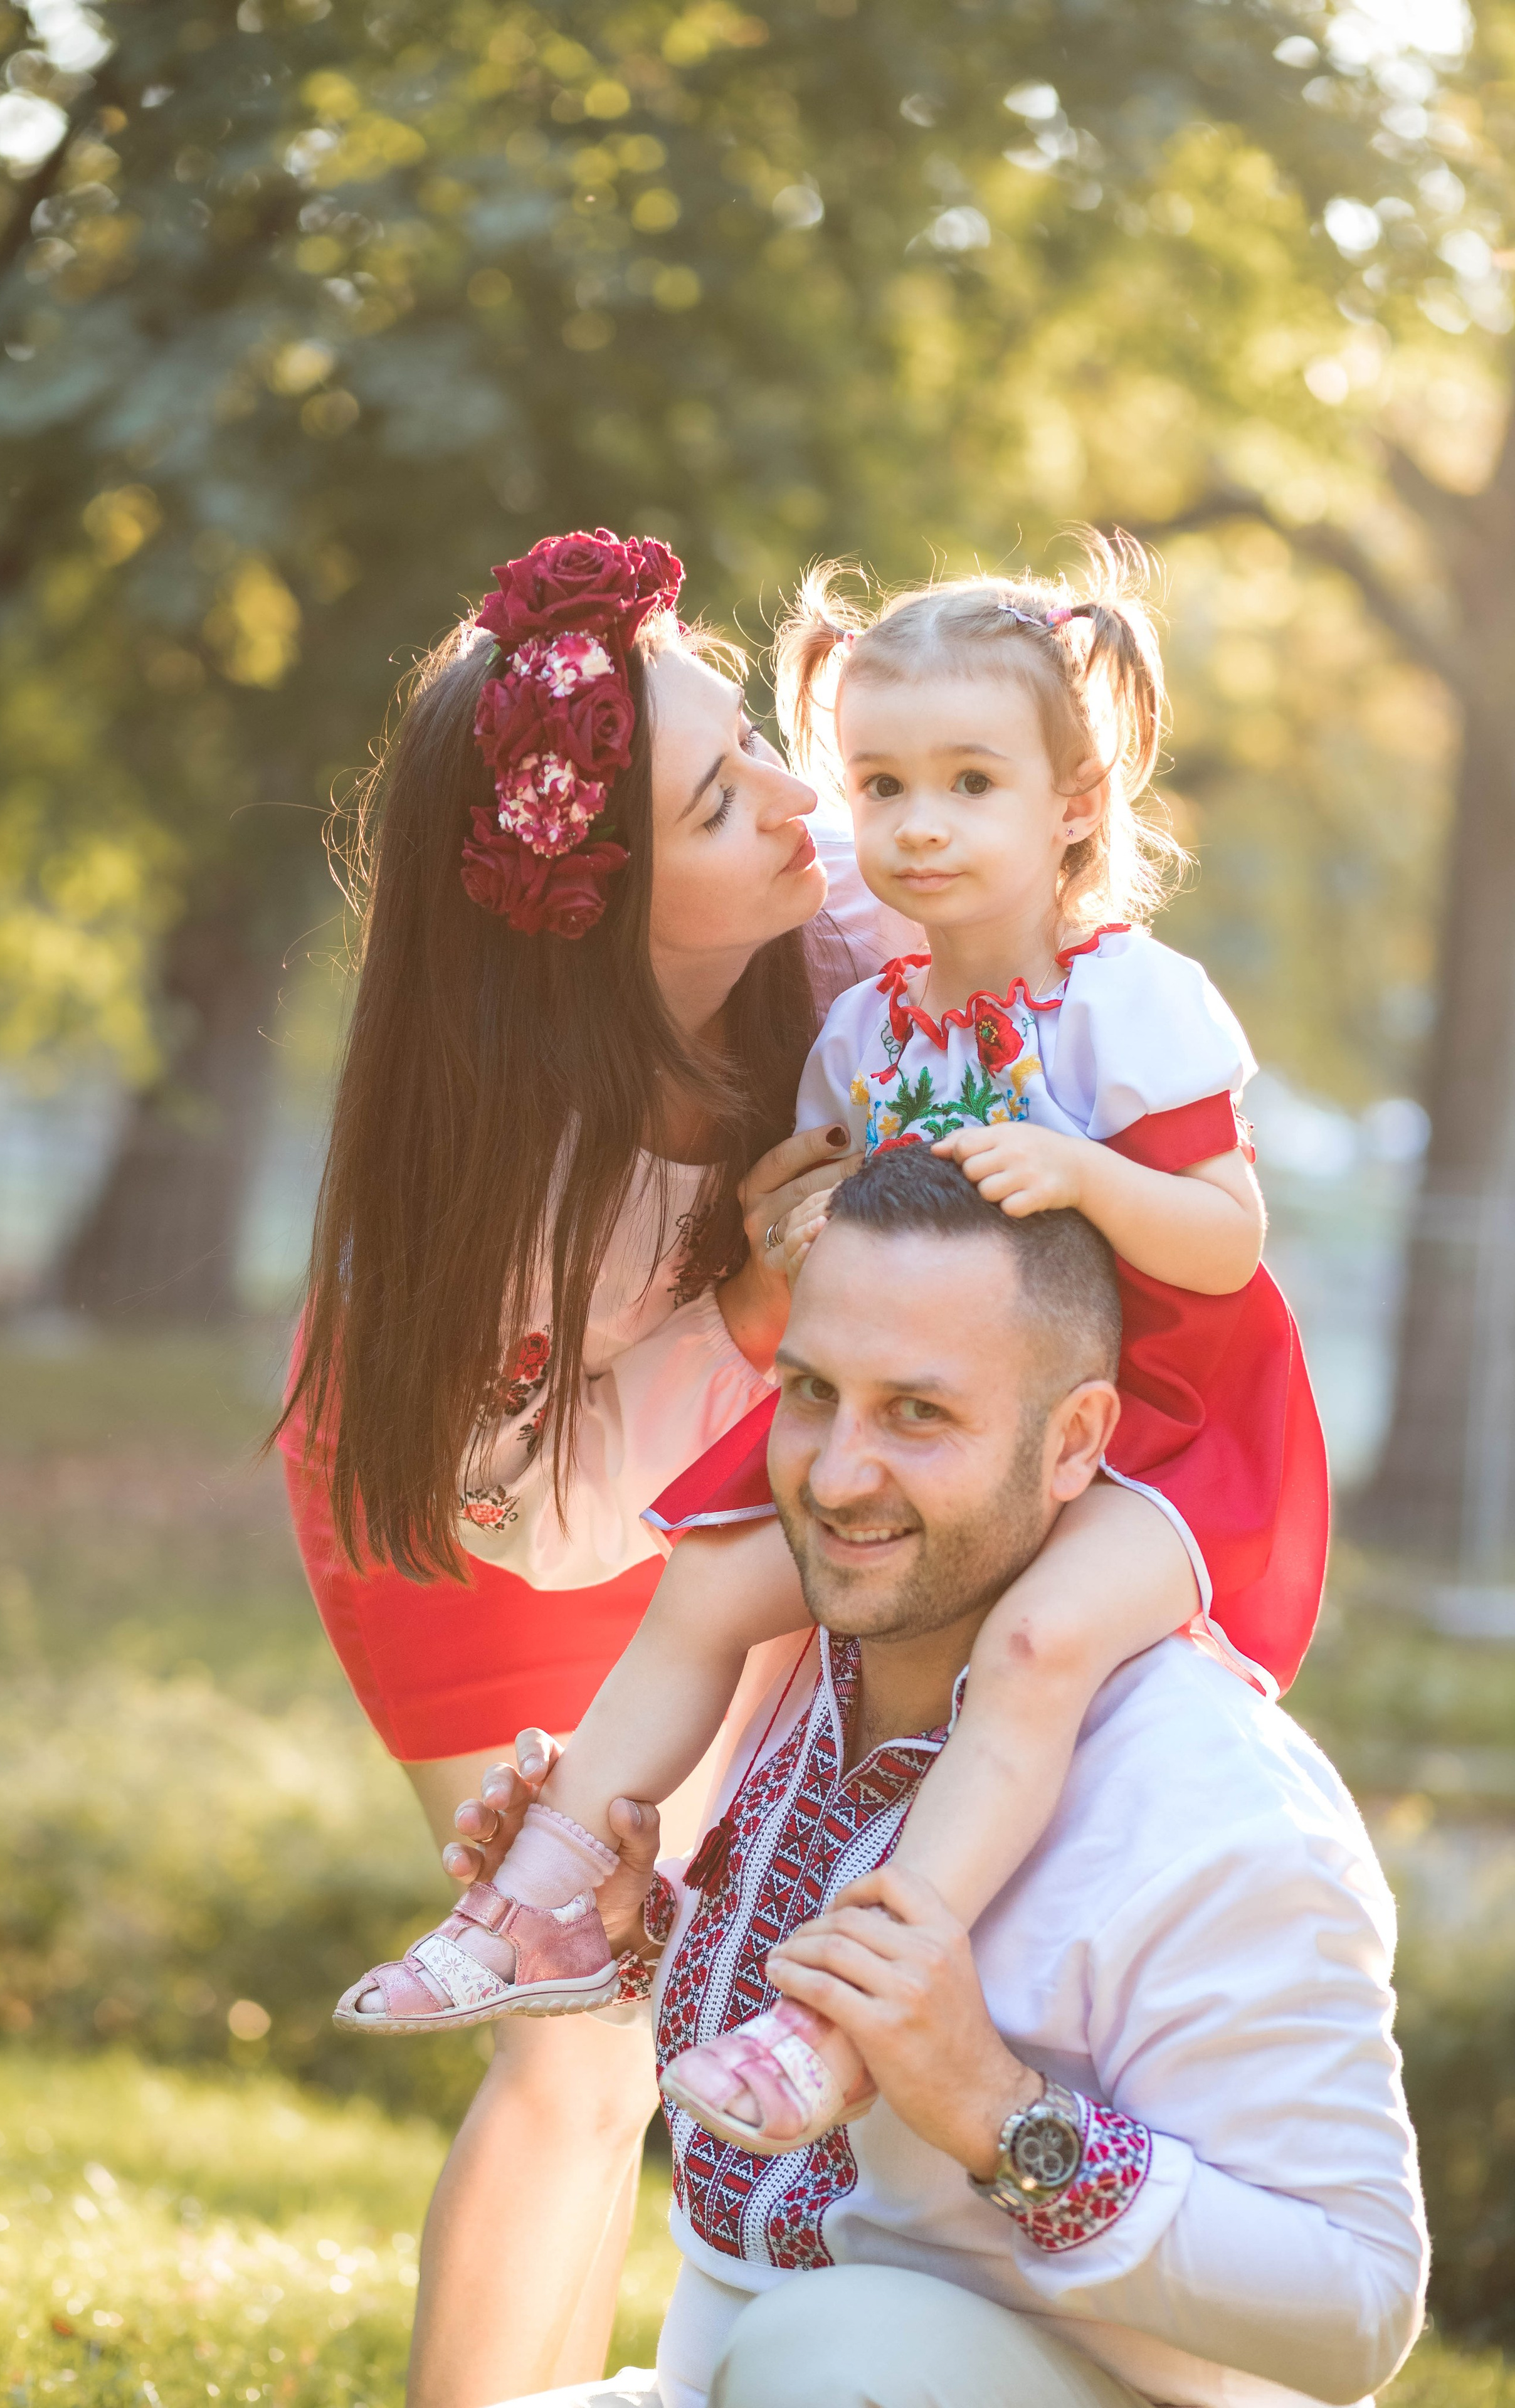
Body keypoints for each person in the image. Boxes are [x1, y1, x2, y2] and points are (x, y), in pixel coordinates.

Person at [339, 543, 1328, 2160]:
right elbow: (563, 1483)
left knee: (1015, 1667)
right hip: (809, 1421)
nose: (872, 820)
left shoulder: (1076, 980)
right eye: (862, 783)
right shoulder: (839, 1042)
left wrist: (1076, 1172)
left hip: (1146, 1419)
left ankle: (843, 2014)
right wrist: (766, 1269)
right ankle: (536, 1909)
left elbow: (1222, 1234)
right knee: (704, 1590)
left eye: (771, 757)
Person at [456, 1145, 1425, 2408]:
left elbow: (1357, 2306)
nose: (837, 1473)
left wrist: (991, 2107)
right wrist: (641, 1936)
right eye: (810, 1394)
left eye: (918, 1413)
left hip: (903, 2384)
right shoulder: (814, 1667)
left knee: (836, 2357)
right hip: (726, 2382)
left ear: (1074, 1439)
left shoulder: (1212, 1807)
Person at [277, 529, 920, 2408]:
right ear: (613, 908)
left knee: (660, 1997)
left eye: (755, 744)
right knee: (575, 2039)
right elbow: (537, 1519)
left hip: (701, 1497)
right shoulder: (517, 1156)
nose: (806, 801)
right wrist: (742, 1314)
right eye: (732, 799)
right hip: (457, 1512)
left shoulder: (827, 933)